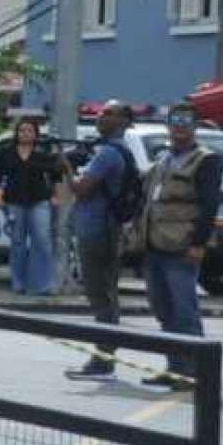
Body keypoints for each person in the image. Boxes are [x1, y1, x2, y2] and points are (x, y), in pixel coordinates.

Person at [139, 101, 222, 389]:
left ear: (194, 126)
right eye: (175, 122)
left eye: (185, 123)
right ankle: (175, 368)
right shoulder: (163, 158)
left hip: (182, 245)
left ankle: (195, 372)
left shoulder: (205, 160)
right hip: (154, 243)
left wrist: (198, 243)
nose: (179, 128)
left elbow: (210, 204)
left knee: (184, 310)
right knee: (163, 309)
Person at [64, 101, 140, 379]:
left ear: (122, 120)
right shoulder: (115, 150)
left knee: (101, 296)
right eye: (100, 112)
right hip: (104, 230)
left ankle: (103, 361)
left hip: (99, 232)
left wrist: (65, 166)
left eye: (108, 113)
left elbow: (81, 188)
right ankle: (105, 357)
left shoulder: (109, 152)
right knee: (105, 294)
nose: (100, 116)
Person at [0, 116, 64, 296]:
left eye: (29, 130)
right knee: (18, 243)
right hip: (14, 202)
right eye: (22, 130)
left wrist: (56, 196)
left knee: (42, 242)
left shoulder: (42, 153)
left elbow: (56, 177)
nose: (25, 133)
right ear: (17, 133)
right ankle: (18, 283)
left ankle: (42, 285)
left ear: (35, 134)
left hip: (39, 201)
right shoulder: (6, 153)